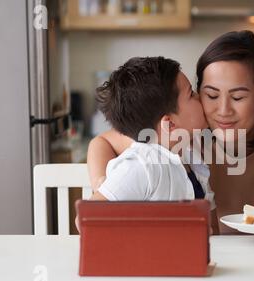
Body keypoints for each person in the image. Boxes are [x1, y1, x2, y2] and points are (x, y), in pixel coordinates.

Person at [87, 30, 254, 239]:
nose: (222, 111)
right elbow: (103, 142)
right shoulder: (176, 135)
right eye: (210, 95)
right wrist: (107, 187)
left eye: (238, 97)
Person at [76, 56, 217, 233]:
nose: (200, 97)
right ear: (170, 124)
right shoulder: (142, 165)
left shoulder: (190, 153)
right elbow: (87, 219)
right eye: (191, 94)